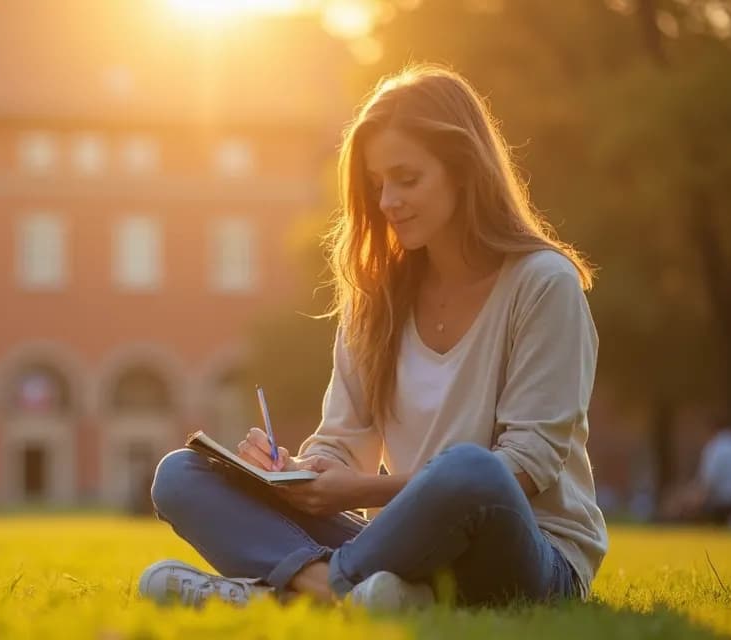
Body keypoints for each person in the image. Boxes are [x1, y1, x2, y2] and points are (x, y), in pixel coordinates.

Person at [138, 64, 607, 612]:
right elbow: (343, 443)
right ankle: (363, 593)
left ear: (463, 170)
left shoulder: (542, 284)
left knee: (472, 468)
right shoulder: (376, 299)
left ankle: (284, 593)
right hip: (399, 550)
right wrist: (297, 472)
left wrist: (360, 492)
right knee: (181, 474)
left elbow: (523, 469)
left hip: (530, 554)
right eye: (377, 184)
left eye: (407, 179)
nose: (386, 202)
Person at [661, 425, 731, 529]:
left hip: (721, 511)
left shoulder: (715, 447)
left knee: (677, 506)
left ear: (710, 431)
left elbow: (706, 486)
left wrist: (683, 504)